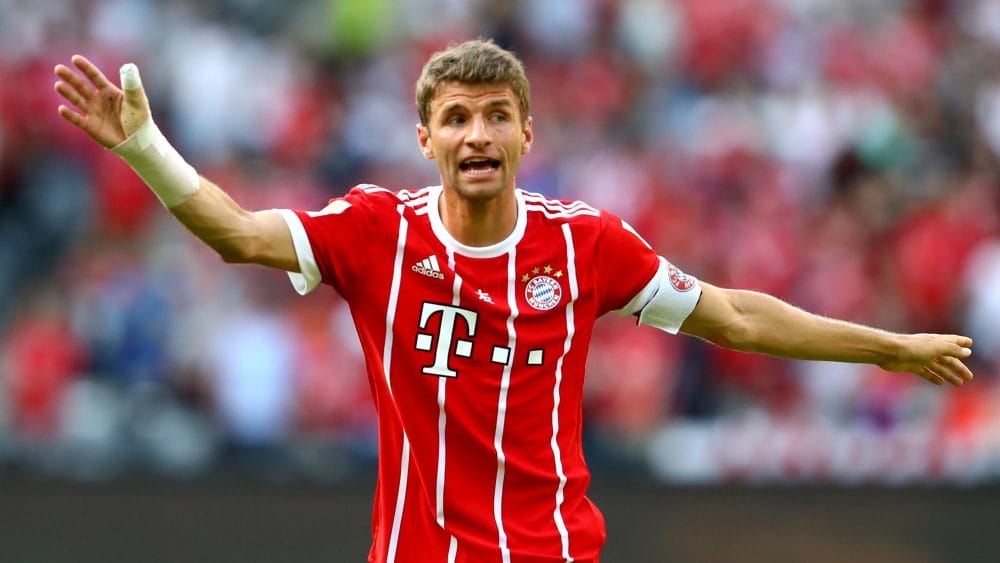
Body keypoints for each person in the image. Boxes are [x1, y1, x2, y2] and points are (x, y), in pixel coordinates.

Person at [54, 39, 973, 563]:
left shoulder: (586, 244)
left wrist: (885, 348)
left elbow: (734, 315)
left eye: (496, 114)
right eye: (456, 116)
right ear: (425, 136)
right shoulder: (379, 231)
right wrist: (147, 151)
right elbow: (240, 234)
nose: (477, 131)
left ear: (528, 132)